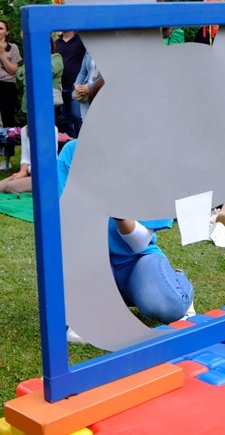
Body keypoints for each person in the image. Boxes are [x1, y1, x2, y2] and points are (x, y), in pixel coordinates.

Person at [58, 139, 194, 325]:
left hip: (135, 261)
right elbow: (63, 219)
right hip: (87, 261)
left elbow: (139, 244)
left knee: (169, 306)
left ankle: (176, 282)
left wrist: (118, 213)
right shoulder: (73, 151)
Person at [0, 19, 22, 170]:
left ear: (7, 32)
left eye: (1, 28)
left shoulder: (13, 48)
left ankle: (7, 158)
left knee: (8, 121)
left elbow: (13, 70)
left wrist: (1, 55)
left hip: (7, 86)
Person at [55, 31, 86, 138]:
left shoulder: (80, 40)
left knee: (77, 116)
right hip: (60, 87)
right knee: (64, 119)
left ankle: (82, 141)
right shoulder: (57, 43)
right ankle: (70, 143)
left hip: (76, 87)